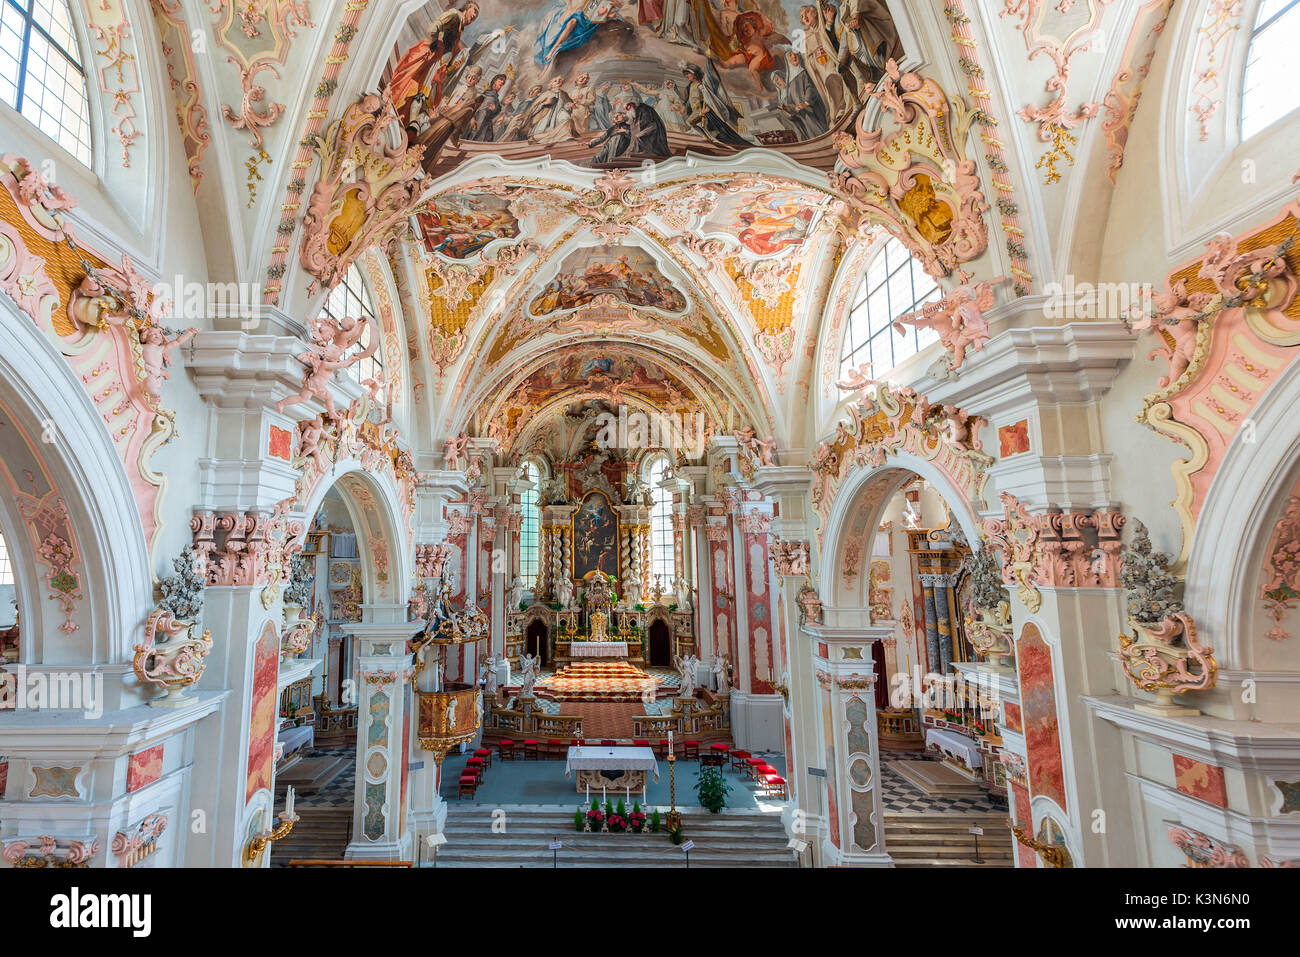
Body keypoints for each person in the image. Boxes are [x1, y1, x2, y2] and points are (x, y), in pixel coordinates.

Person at [387, 2, 480, 123]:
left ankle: (411, 121)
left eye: (476, 16)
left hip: (438, 63)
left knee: (425, 90)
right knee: (419, 87)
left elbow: (448, 53)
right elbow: (435, 26)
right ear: (467, 8)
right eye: (475, 11)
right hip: (432, 56)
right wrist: (434, 44)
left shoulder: (459, 29)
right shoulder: (455, 15)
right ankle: (411, 121)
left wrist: (451, 66)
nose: (474, 16)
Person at [681, 62, 749, 147]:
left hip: (702, 109)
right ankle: (706, 136)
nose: (687, 76)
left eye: (688, 74)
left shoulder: (700, 85)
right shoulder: (690, 86)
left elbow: (708, 98)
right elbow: (689, 100)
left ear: (694, 74)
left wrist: (706, 109)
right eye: (686, 74)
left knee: (692, 122)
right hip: (695, 110)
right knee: (690, 122)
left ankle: (708, 137)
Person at [467, 73, 508, 141]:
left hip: (485, 126)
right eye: (500, 84)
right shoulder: (489, 95)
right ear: (494, 82)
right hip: (480, 124)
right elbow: (480, 113)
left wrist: (495, 109)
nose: (500, 87)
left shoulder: (494, 97)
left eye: (502, 85)